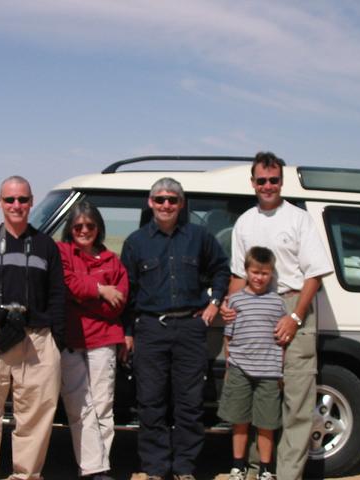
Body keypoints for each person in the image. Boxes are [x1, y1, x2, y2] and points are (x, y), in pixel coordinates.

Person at [222, 152, 333, 480]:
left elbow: (315, 274)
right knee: (261, 397)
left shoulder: (298, 219)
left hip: (291, 305)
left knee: (296, 401)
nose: (267, 186)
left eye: (273, 180)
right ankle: (258, 471)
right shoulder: (245, 222)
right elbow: (238, 274)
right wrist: (231, 306)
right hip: (253, 310)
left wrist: (295, 317)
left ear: (281, 181)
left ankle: (286, 476)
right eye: (261, 180)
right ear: (253, 182)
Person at [120, 177, 230, 480]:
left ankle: (184, 468)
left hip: (190, 329)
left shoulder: (200, 237)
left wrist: (215, 302)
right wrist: (128, 332)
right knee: (151, 402)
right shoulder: (136, 242)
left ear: (181, 204)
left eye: (172, 199)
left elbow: (221, 268)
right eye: (160, 199)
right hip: (150, 330)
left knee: (189, 404)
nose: (166, 204)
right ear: (150, 203)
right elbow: (127, 293)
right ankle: (155, 469)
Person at [0, 175, 65, 480]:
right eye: (10, 200)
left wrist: (55, 339)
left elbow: (57, 295)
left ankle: (26, 475)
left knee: (35, 414)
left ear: (31, 202)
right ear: (0, 202)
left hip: (36, 340)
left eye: (22, 199)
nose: (16, 205)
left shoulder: (46, 246)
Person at [56, 201, 129, 480]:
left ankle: (97, 468)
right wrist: (100, 290)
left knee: (102, 407)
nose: (84, 230)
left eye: (90, 225)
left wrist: (81, 299)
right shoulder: (62, 252)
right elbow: (67, 283)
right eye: (78, 226)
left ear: (98, 228)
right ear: (70, 229)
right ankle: (93, 467)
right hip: (72, 339)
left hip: (103, 341)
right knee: (78, 407)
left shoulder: (112, 260)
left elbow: (118, 304)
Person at [217, 246, 286, 480]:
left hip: (269, 371)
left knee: (267, 423)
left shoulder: (277, 303)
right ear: (246, 271)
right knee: (240, 421)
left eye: (265, 273)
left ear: (272, 274)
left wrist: (281, 371)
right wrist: (228, 366)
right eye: (255, 272)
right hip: (239, 369)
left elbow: (281, 340)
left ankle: (266, 469)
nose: (259, 277)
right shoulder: (235, 301)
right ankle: (238, 466)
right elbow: (229, 336)